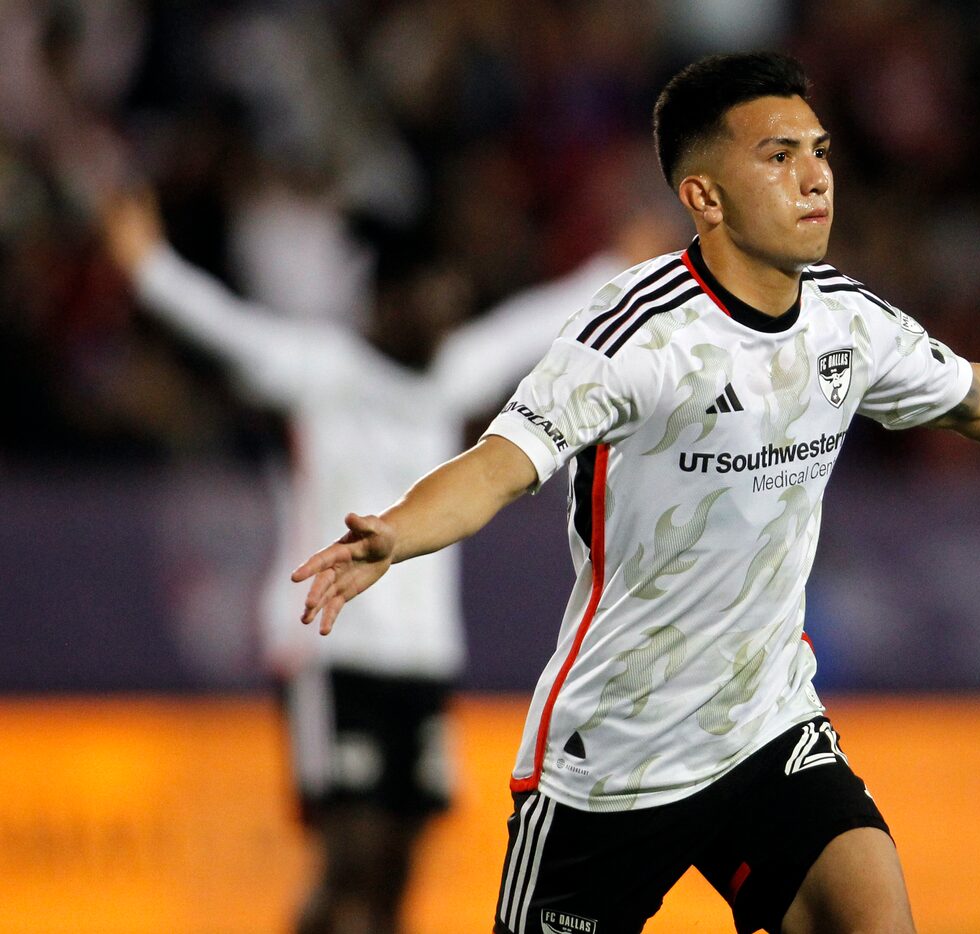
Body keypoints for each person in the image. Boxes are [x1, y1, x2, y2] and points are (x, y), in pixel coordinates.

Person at [292, 51, 980, 934]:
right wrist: (397, 534)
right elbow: (499, 465)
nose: (815, 176)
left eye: (820, 152)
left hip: (765, 725)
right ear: (702, 194)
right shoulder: (635, 337)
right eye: (779, 155)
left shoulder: (846, 323)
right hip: (614, 759)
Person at [101, 190, 675, 934]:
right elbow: (224, 329)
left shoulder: (448, 375)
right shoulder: (318, 369)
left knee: (399, 866)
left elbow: (531, 327)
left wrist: (615, 267)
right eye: (436, 296)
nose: (449, 313)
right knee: (351, 861)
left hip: (422, 657)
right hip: (333, 651)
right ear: (391, 300)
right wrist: (147, 265)